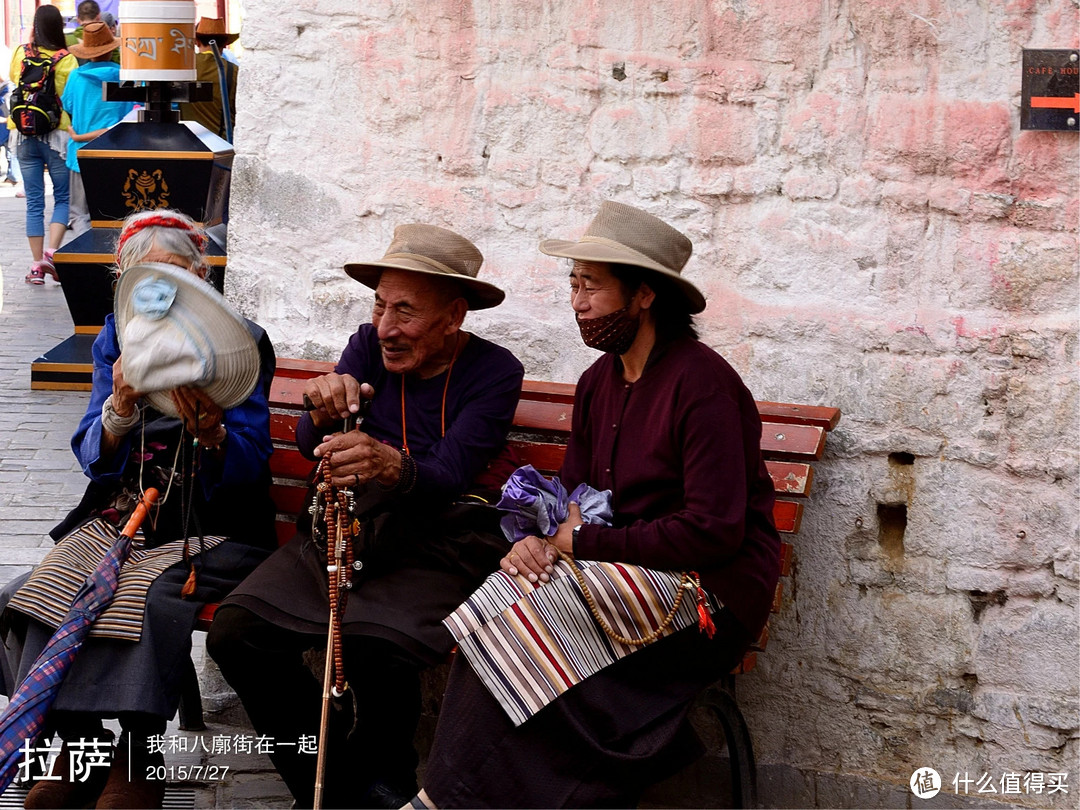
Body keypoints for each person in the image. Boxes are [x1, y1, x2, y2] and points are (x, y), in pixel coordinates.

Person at [413, 201, 783, 809]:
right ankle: (449, 797)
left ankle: (445, 801)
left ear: (643, 296)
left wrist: (582, 544)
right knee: (500, 598)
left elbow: (713, 532)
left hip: (706, 591)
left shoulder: (702, 383)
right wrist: (535, 540)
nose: (577, 301)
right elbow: (570, 508)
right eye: (573, 284)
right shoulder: (598, 383)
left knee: (533, 612)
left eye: (592, 286)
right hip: (615, 571)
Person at [207, 224, 525, 809]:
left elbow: (451, 472)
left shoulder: (495, 372)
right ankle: (328, 781)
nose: (386, 328)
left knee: (375, 641)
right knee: (236, 633)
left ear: (453, 316)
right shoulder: (367, 345)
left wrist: (388, 464)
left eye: (406, 311)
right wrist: (322, 407)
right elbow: (307, 441)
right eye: (380, 305)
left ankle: (385, 769)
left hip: (437, 542)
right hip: (348, 533)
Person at [0, 210, 278, 810]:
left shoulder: (242, 343)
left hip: (214, 525)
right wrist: (121, 408)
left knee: (143, 599)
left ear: (203, 278)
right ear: (126, 282)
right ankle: (76, 751)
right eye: (150, 277)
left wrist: (215, 434)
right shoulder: (115, 336)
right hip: (126, 513)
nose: (167, 292)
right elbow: (93, 455)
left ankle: (140, 757)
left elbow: (253, 463)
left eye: (180, 274)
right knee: (33, 592)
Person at [7, 5, 77, 284]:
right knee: (62, 197)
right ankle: (52, 253)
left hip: (23, 133)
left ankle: (36, 266)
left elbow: (15, 79)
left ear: (35, 26)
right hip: (57, 134)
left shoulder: (20, 53)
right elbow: (68, 96)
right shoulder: (67, 59)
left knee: (34, 201)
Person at [61, 21, 134, 236]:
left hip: (81, 152)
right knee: (112, 212)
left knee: (79, 213)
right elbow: (130, 113)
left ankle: (86, 255)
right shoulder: (124, 75)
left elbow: (68, 106)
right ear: (111, 50)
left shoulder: (76, 76)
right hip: (115, 152)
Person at [178, 18, 239, 141]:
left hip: (189, 143)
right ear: (225, 43)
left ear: (197, 41)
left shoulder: (183, 66)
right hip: (222, 145)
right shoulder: (235, 71)